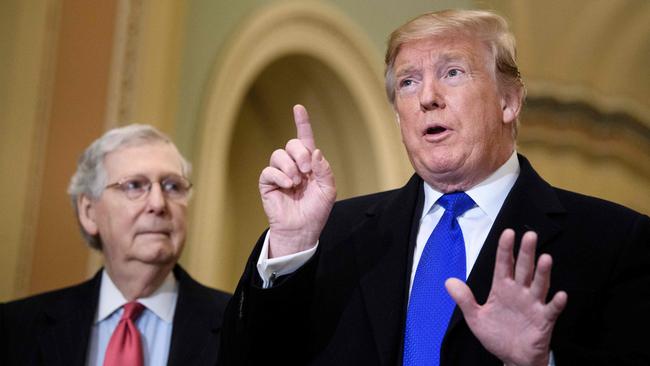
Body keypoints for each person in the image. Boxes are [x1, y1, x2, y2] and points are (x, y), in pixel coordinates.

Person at [219, 9, 650, 366]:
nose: (427, 97)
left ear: (510, 101)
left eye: (453, 72)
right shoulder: (331, 236)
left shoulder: (615, 243)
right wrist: (291, 249)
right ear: (398, 116)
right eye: (408, 82)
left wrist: (539, 364)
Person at [1, 124, 231, 365]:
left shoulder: (237, 325)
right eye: (134, 185)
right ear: (89, 212)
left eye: (172, 186)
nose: (158, 203)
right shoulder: (15, 328)